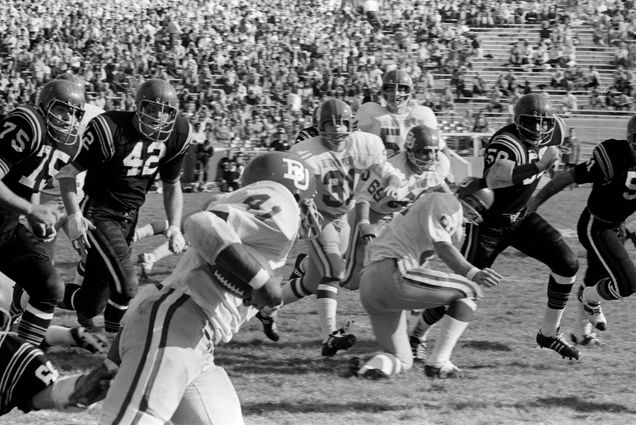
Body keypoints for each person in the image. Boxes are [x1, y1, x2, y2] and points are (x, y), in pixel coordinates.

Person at [99, 152, 321, 424]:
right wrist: (261, 284)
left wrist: (110, 363)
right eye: (306, 200)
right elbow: (201, 223)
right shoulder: (282, 203)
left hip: (195, 342)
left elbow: (166, 287)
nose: (312, 210)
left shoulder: (260, 231)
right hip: (179, 328)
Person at [411, 93, 581, 360]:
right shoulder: (506, 141)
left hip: (520, 217)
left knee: (567, 264)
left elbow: (561, 134)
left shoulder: (550, 133)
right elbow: (496, 178)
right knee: (461, 286)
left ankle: (548, 333)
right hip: (489, 221)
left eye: (543, 123)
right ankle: (418, 333)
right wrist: (540, 164)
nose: (538, 129)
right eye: (531, 122)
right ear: (517, 120)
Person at [257, 99, 403, 357]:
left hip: (342, 214)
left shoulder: (364, 144)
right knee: (334, 270)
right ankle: (329, 337)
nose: (336, 131)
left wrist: (392, 180)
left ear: (351, 125)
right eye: (329, 124)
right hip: (316, 214)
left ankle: (268, 308)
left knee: (314, 281)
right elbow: (291, 191)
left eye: (342, 124)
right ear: (318, 126)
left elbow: (385, 168)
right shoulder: (303, 153)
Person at [56, 78, 191, 335]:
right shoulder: (110, 128)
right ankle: (115, 344)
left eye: (166, 111)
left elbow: (172, 183)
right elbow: (66, 173)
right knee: (127, 285)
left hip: (129, 216)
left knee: (90, 302)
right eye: (152, 109)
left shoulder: (179, 134)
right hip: (98, 213)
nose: (159, 117)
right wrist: (74, 214)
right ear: (138, 107)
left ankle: (38, 290)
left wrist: (174, 226)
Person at [350, 178, 502, 379]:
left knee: (403, 361)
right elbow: (443, 247)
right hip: (394, 271)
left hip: (371, 283)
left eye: (479, 210)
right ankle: (438, 364)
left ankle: (369, 368)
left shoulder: (441, 206)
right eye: (474, 205)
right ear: (463, 196)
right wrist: (474, 273)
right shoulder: (447, 202)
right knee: (470, 291)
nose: (474, 212)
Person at [527, 115, 636, 345]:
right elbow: (570, 176)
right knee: (626, 283)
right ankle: (590, 300)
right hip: (595, 225)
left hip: (617, 225)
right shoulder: (614, 154)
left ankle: (580, 332)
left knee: (597, 276)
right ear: (629, 139)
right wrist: (536, 202)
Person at [0, 79, 85, 346]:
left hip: (6, 227)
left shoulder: (69, 144)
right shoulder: (28, 123)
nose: (68, 118)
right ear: (45, 106)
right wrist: (32, 209)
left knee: (50, 286)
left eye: (74, 113)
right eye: (62, 110)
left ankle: (23, 355)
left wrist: (36, 218)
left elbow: (31, 181)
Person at [342, 125, 452, 292]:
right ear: (410, 152)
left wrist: (453, 207)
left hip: (398, 216)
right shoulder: (393, 170)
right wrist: (365, 225)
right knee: (351, 281)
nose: (430, 158)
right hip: (372, 214)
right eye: (424, 152)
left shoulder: (439, 164)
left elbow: (437, 183)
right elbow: (363, 199)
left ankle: (409, 296)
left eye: (434, 152)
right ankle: (310, 264)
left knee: (404, 259)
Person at [356, 69, 437, 156]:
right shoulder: (371, 112)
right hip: (379, 167)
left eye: (401, 89)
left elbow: (440, 149)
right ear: (383, 91)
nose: (396, 94)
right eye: (391, 89)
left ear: (409, 91)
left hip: (409, 168)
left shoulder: (421, 115)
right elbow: (354, 144)